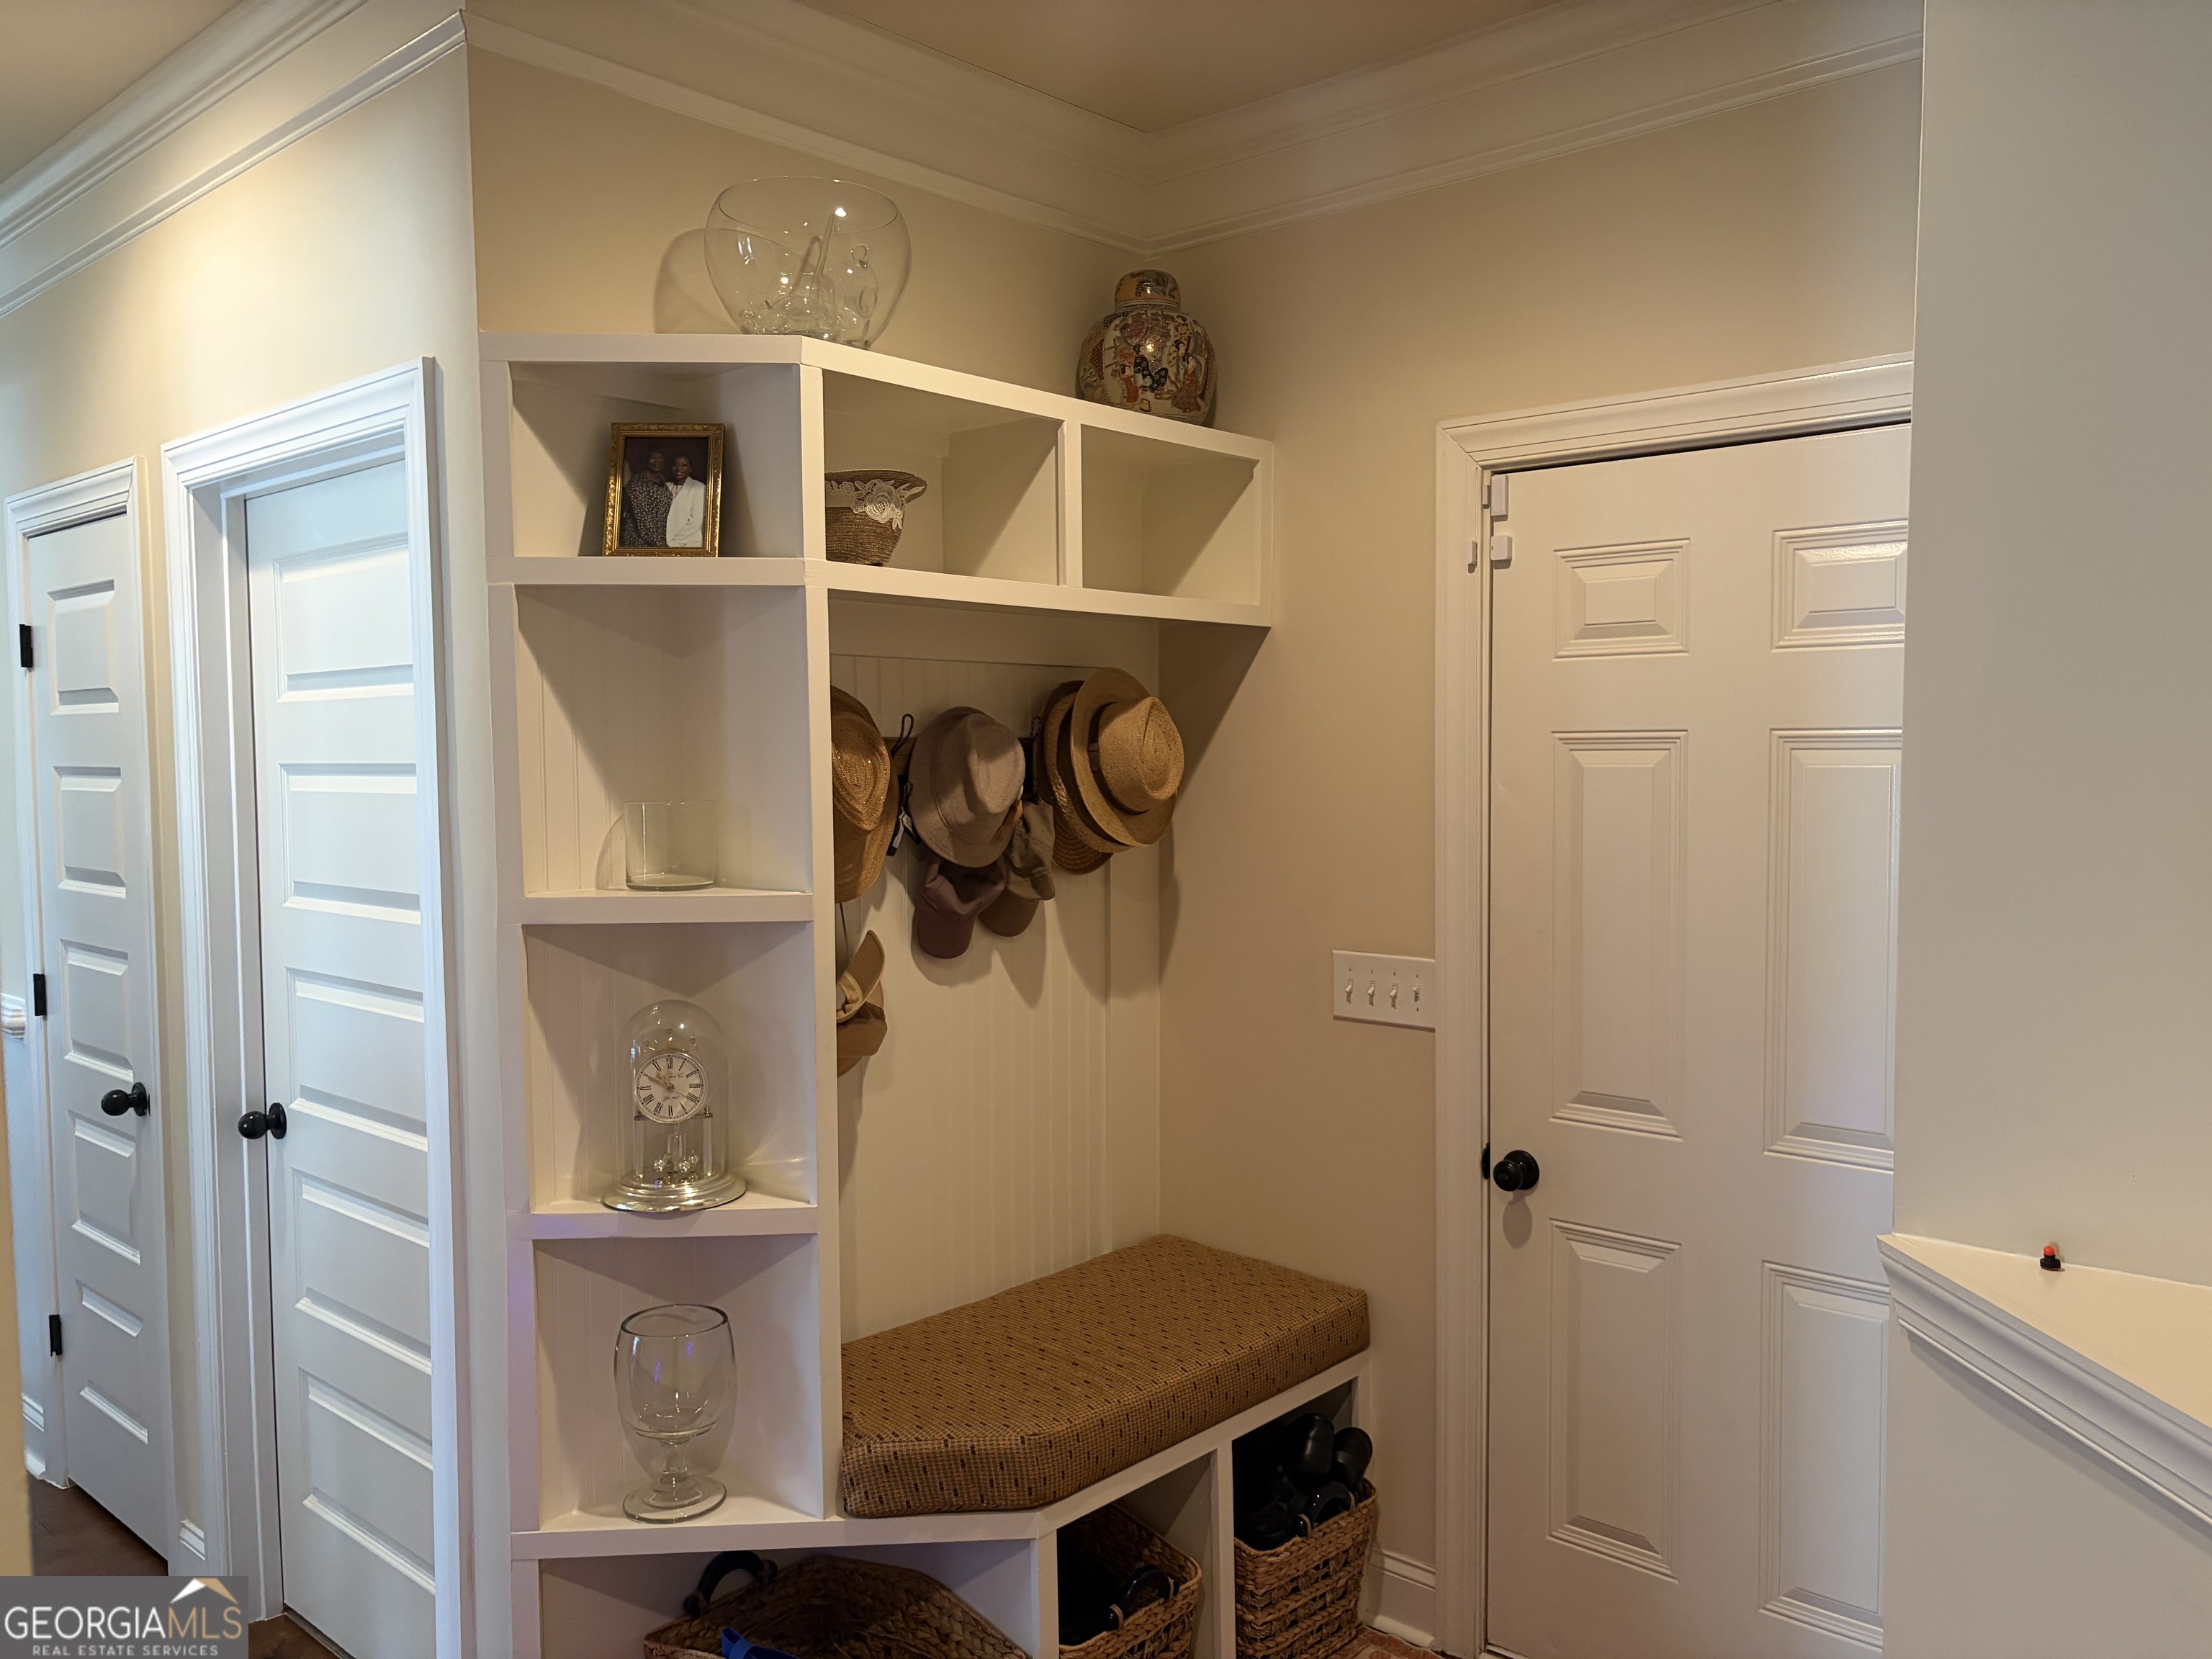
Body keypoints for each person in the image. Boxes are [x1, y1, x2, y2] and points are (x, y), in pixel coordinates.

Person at [621, 449, 671, 547]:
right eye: (652, 457)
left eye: (660, 457)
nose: (657, 460)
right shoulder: (637, 482)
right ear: (646, 460)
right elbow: (642, 516)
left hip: (659, 538)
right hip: (640, 540)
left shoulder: (663, 480)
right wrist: (659, 542)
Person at [665, 451, 709, 549]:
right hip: (666, 543)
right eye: (676, 465)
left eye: (684, 465)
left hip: (689, 542)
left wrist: (673, 541)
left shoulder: (699, 487)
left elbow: (696, 521)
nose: (679, 468)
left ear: (690, 469)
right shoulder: (666, 486)